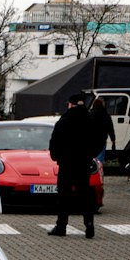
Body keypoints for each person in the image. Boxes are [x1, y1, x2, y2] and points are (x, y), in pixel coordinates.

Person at [48, 93, 97, 239]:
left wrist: (56, 156)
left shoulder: (64, 120)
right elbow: (97, 141)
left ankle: (61, 226)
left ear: (70, 104)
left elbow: (54, 141)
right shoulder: (90, 120)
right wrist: (89, 156)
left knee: (64, 196)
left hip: (66, 163)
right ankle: (89, 225)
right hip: (83, 164)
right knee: (85, 195)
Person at [90, 95, 116, 165]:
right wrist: (113, 140)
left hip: (91, 140)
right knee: (99, 160)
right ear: (102, 105)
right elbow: (110, 129)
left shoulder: (89, 115)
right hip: (101, 140)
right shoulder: (106, 115)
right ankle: (98, 173)